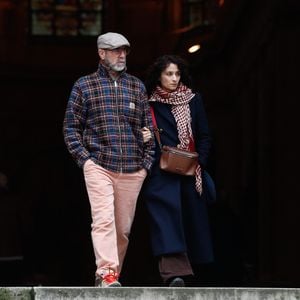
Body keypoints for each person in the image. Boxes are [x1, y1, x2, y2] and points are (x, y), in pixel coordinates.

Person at [63, 32, 155, 287]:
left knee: (122, 230)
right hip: (99, 165)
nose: (122, 55)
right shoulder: (84, 85)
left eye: (125, 50)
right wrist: (85, 161)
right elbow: (71, 128)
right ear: (101, 53)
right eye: (115, 50)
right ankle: (107, 273)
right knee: (103, 220)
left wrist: (146, 165)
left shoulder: (136, 86)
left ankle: (110, 276)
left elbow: (148, 128)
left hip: (133, 168)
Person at [142, 54, 214, 287]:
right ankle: (174, 273)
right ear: (159, 76)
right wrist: (145, 140)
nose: (174, 79)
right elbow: (139, 133)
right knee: (166, 221)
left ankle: (193, 274)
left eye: (177, 74)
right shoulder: (148, 103)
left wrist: (198, 162)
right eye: (169, 74)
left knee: (193, 222)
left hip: (190, 172)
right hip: (161, 172)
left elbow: (204, 135)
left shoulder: (194, 100)